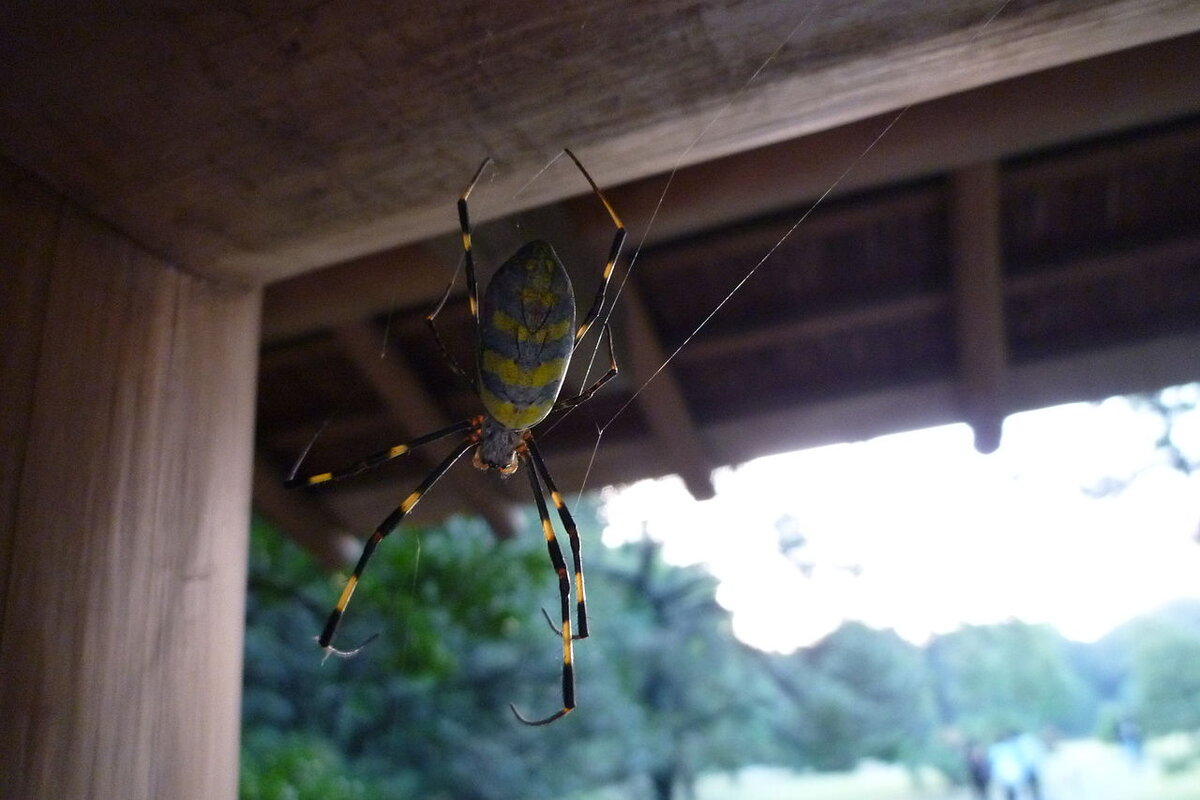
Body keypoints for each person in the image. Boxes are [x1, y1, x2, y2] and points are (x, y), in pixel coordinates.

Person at [988, 731, 1025, 800]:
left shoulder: (1012, 746)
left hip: (1012, 774)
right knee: (1007, 792)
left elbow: (1018, 760)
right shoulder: (996, 749)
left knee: (1015, 792)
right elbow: (993, 762)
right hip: (1004, 774)